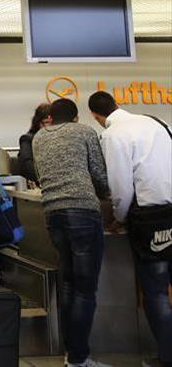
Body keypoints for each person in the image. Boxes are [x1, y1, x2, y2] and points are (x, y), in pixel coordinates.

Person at [88, 90, 172, 367]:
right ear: (118, 104)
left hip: (150, 218)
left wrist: (119, 218)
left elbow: (120, 186)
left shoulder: (113, 135)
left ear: (96, 116)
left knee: (156, 292)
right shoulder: (157, 122)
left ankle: (168, 358)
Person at [33, 98, 110, 367]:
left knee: (68, 284)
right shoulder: (85, 132)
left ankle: (70, 355)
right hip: (82, 211)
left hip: (53, 213)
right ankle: (79, 359)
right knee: (85, 289)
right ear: (76, 117)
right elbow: (99, 174)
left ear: (50, 118)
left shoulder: (39, 137)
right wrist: (109, 194)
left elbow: (40, 172)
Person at [17, 102, 53, 183]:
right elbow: (27, 166)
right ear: (38, 123)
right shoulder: (27, 139)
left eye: (53, 123)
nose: (51, 126)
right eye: (47, 122)